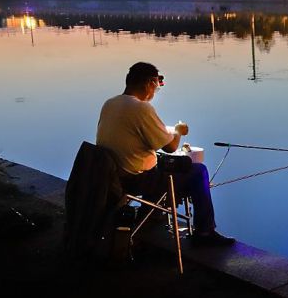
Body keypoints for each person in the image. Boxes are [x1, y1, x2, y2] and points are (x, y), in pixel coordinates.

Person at [96, 62, 234, 246]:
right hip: (135, 180)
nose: (155, 92)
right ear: (149, 83)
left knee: (166, 165)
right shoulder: (141, 108)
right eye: (157, 86)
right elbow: (170, 147)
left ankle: (153, 215)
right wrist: (178, 131)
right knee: (198, 171)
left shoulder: (110, 103)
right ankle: (205, 232)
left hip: (112, 175)